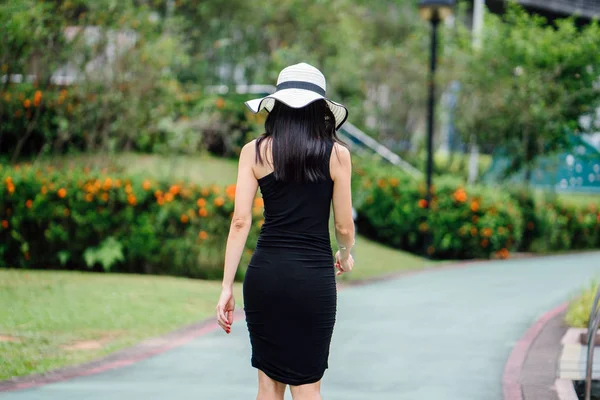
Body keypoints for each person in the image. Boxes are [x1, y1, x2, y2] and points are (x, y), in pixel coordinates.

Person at [216, 62, 355, 400]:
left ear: (276, 105)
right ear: (321, 110)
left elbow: (240, 222)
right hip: (313, 280)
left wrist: (225, 288)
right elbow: (342, 225)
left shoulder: (255, 151)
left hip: (266, 277)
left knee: (268, 384)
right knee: (308, 386)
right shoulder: (337, 154)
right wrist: (345, 254)